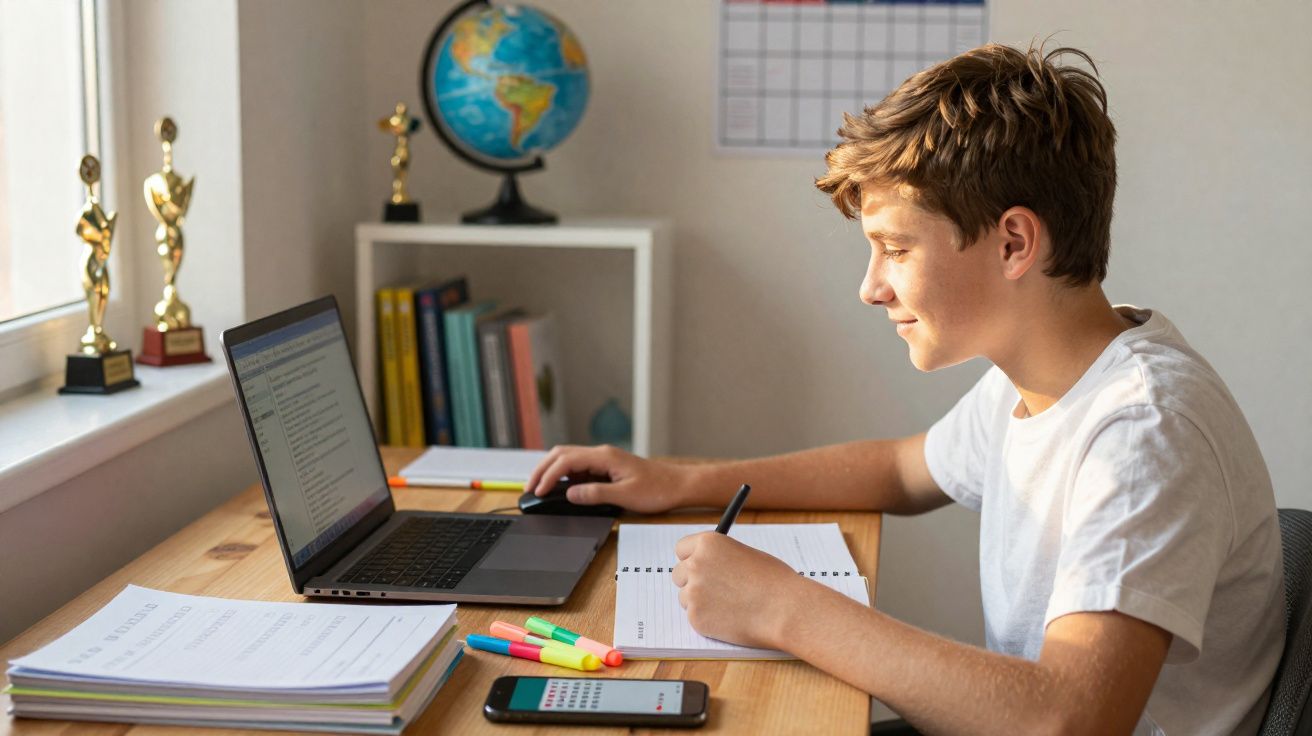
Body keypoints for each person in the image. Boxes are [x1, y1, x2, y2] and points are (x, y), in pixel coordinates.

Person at [527, 42, 1283, 735]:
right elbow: (900, 469)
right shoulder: (1041, 378)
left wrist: (782, 607)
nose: (870, 287)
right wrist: (681, 480)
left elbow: (1070, 720)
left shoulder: (1144, 433)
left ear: (1014, 242)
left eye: (895, 248)